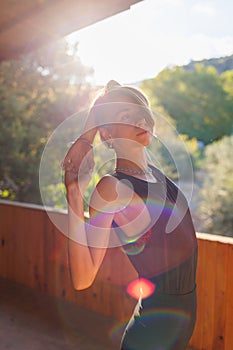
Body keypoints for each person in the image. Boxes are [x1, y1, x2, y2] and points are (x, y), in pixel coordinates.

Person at [62, 80, 198, 350]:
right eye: (125, 116)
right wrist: (74, 195)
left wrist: (88, 136)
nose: (140, 121)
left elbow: (109, 93)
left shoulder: (155, 174)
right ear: (108, 134)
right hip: (151, 334)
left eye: (141, 113)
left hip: (180, 323)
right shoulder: (112, 189)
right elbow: (83, 278)